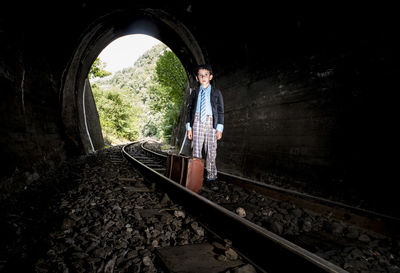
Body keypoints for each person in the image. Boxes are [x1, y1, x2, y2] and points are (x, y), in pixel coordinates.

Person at [186, 64, 224, 183]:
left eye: (206, 75)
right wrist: (189, 128)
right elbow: (189, 110)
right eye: (200, 75)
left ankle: (211, 177)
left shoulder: (216, 92)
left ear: (210, 77)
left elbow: (220, 111)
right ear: (197, 78)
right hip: (197, 121)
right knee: (196, 150)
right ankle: (196, 177)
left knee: (211, 150)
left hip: (211, 121)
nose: (203, 77)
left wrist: (219, 128)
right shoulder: (195, 93)